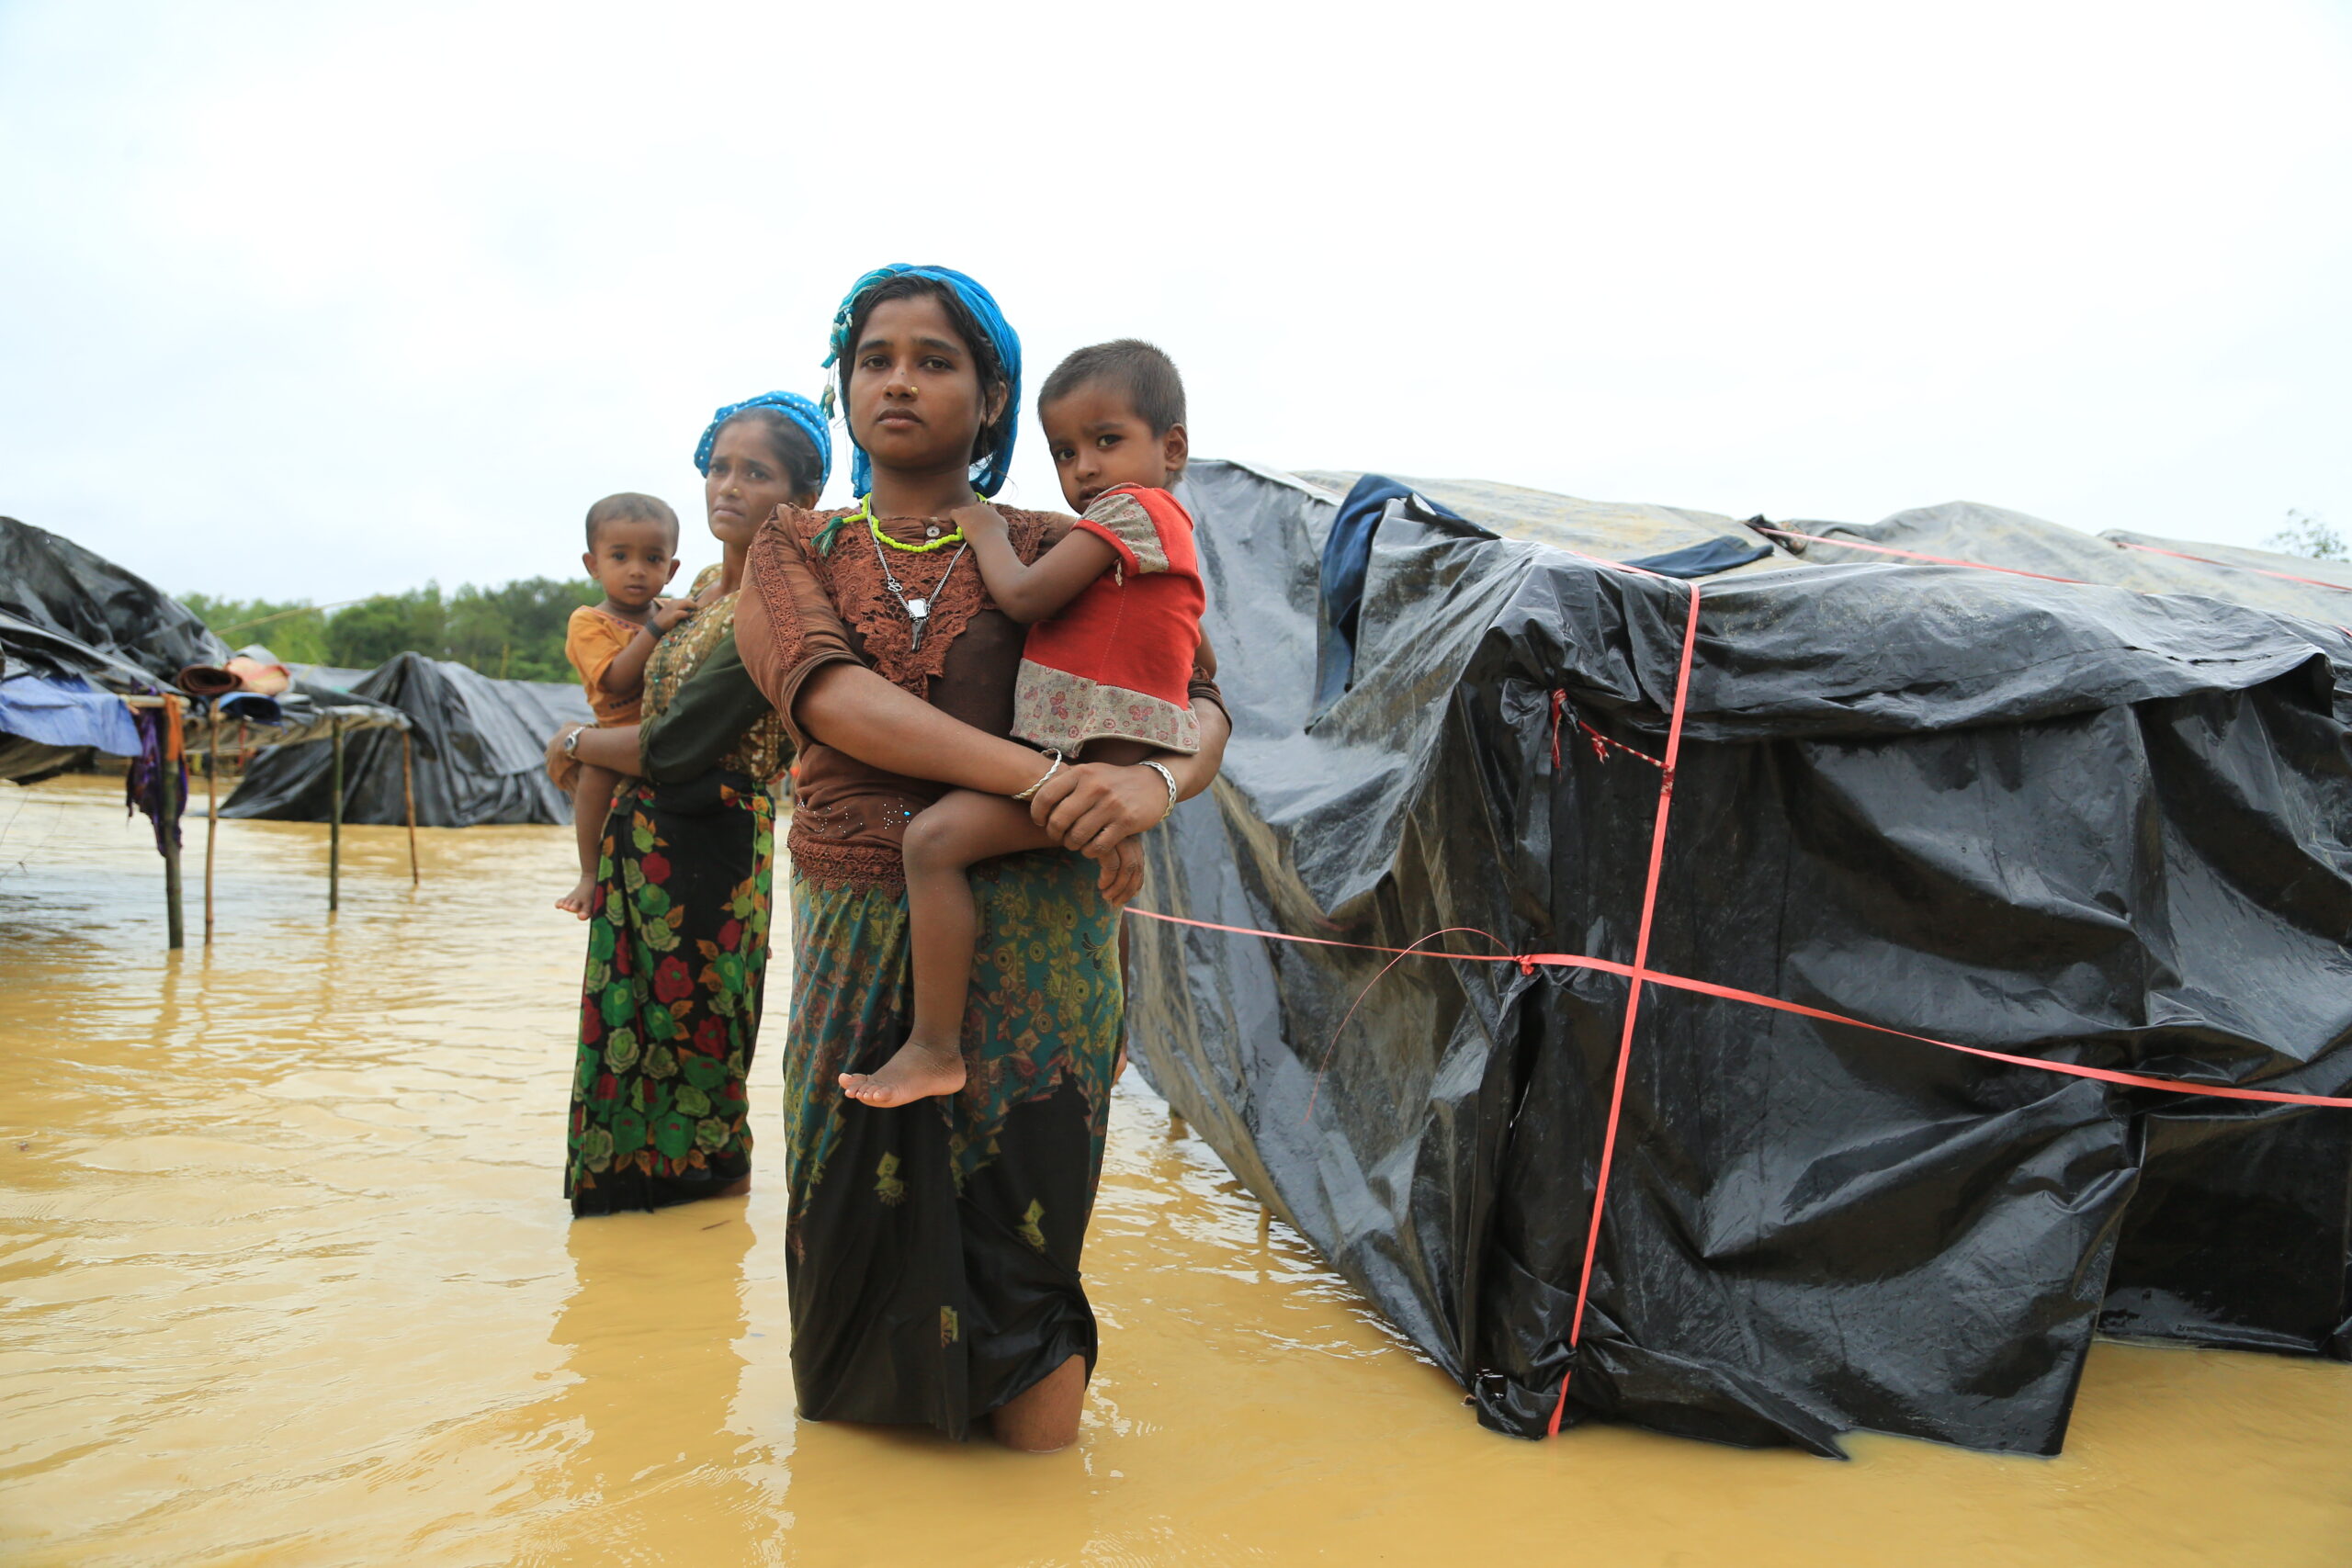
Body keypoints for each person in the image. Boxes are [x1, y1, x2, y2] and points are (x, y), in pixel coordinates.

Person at [731, 265, 1230, 1451]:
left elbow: (1199, 697)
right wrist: (1046, 777)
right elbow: (836, 698)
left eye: (935, 358)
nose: (899, 378)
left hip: (1045, 943)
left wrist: (1153, 780)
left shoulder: (1074, 536)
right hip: (860, 937)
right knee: (852, 1250)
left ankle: (1035, 1510)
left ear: (993, 395)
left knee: (1029, 1257)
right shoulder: (791, 546)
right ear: (845, 388)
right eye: (875, 357)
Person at [841, 339, 1204, 1108]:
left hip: (1082, 750)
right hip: (1100, 754)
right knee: (1102, 868)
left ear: (1171, 448)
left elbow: (1027, 598)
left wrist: (986, 534)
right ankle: (1114, 1032)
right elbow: (1192, 651)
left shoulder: (1131, 513)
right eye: (1065, 451)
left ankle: (934, 1046)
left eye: (1108, 441)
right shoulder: (1158, 528)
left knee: (933, 843)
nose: (1085, 469)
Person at [551, 390, 831, 1216]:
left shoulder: (781, 602)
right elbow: (636, 700)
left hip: (709, 838)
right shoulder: (705, 584)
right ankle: (634, 1248)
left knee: (699, 1040)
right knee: (632, 1032)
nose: (728, 486)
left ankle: (707, 1220)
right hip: (643, 845)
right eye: (719, 467)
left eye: (756, 472)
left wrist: (571, 744)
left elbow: (675, 743)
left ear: (800, 497)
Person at [556, 493, 690, 919]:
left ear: (670, 570)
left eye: (652, 559)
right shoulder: (588, 621)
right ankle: (588, 874)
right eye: (619, 556)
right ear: (593, 564)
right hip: (618, 731)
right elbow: (614, 680)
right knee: (595, 770)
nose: (636, 570)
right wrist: (654, 629)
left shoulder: (673, 609)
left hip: (670, 728)